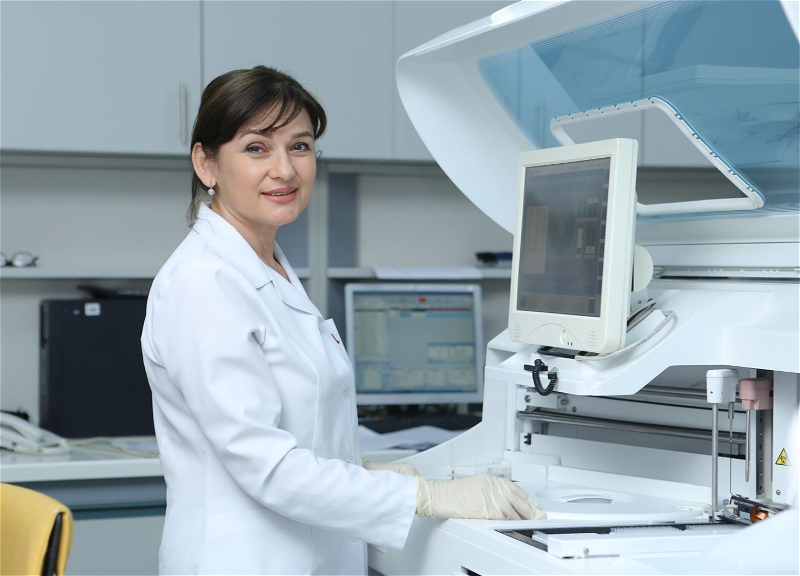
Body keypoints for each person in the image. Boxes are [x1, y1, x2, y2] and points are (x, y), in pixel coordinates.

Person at [141, 65, 545, 576]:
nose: (285, 170)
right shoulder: (204, 282)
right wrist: (424, 495)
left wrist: (381, 474)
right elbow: (267, 466)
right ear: (206, 163)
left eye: (300, 146)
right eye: (257, 148)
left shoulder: (267, 268)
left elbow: (301, 436)